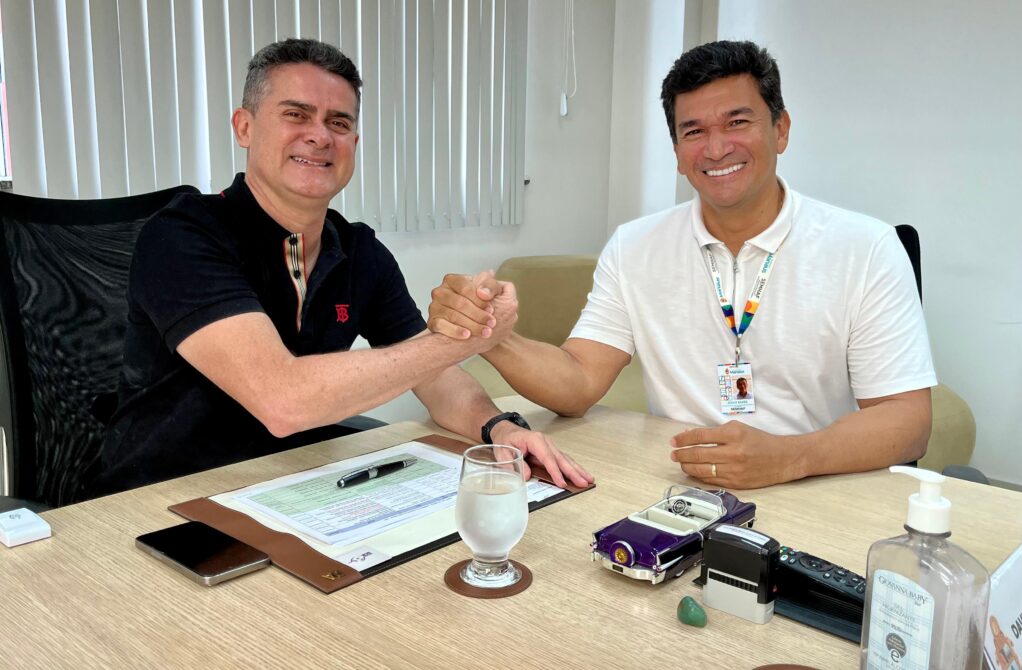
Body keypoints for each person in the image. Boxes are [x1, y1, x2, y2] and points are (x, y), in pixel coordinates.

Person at [91, 38, 591, 497]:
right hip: (158, 496)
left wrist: (501, 429)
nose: (320, 136)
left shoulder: (359, 250)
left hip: (291, 487)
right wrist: (461, 339)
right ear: (245, 126)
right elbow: (284, 401)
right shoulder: (183, 234)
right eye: (296, 114)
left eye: (339, 122)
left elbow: (436, 379)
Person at [426, 40, 935, 489]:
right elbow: (578, 383)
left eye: (738, 122)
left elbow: (907, 418)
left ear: (780, 129)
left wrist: (791, 457)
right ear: (676, 150)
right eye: (693, 131)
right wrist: (493, 336)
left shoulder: (866, 246)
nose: (716, 148)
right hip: (681, 487)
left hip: (821, 483)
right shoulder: (635, 246)